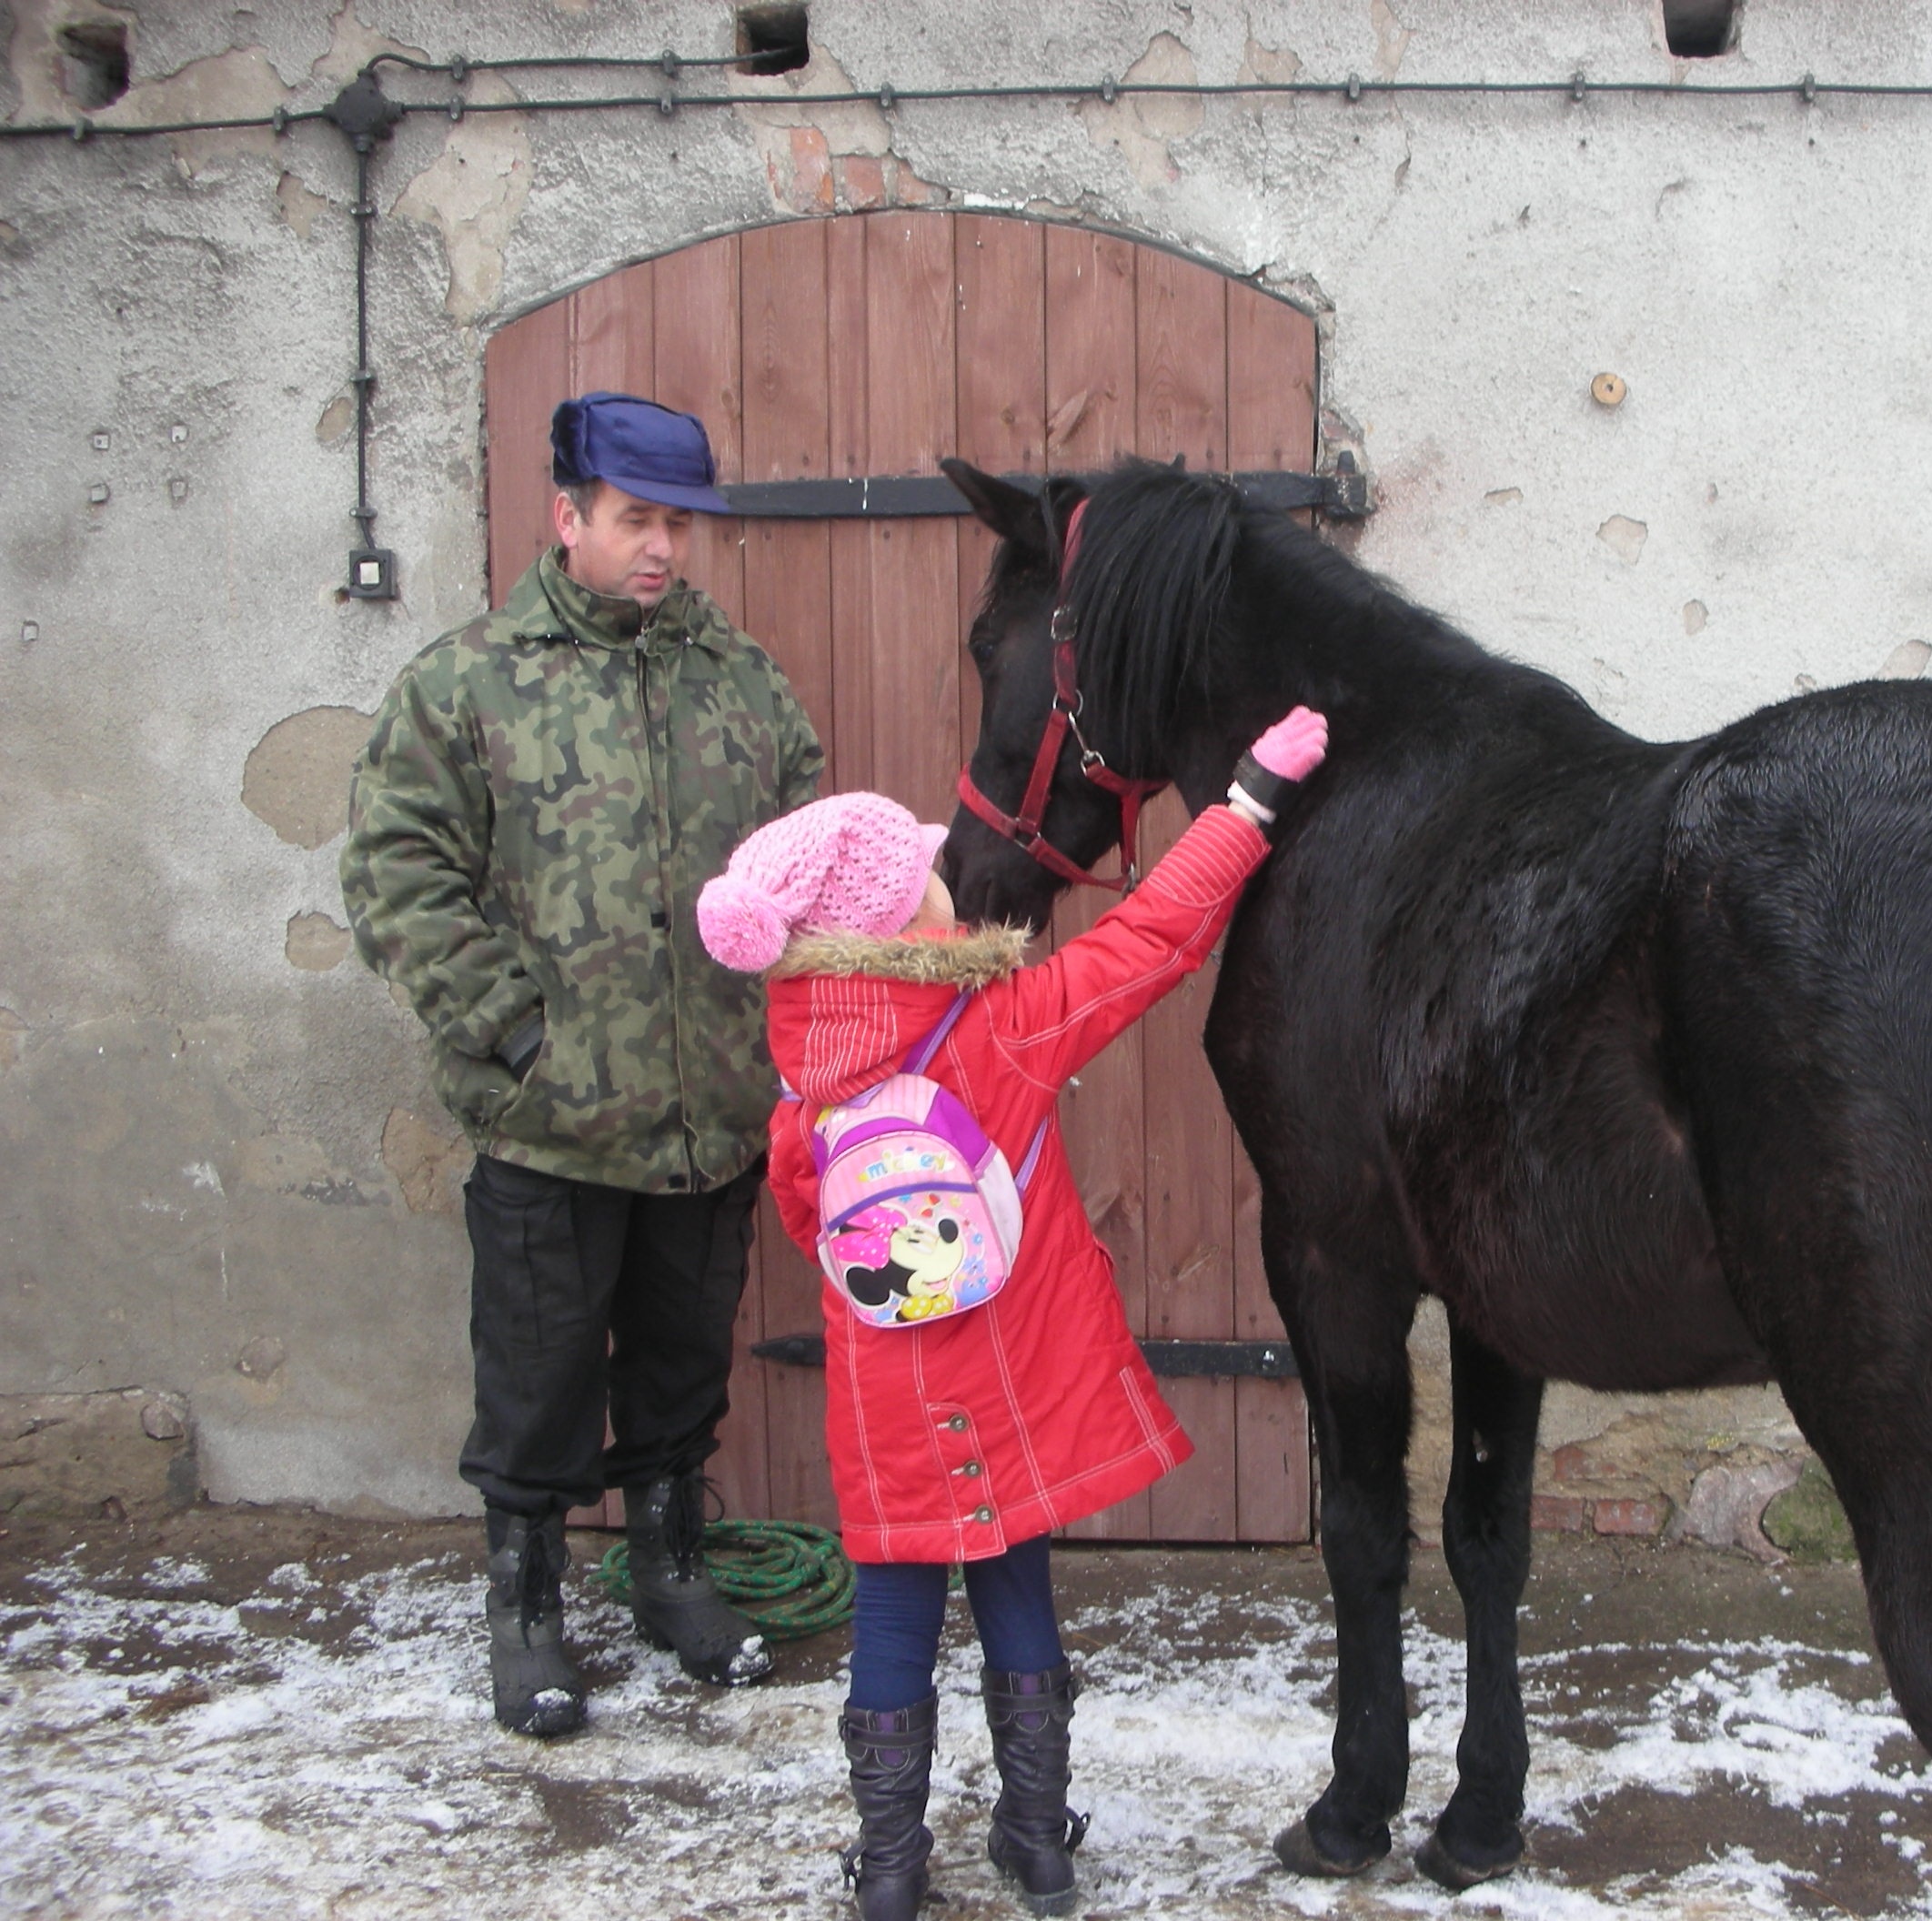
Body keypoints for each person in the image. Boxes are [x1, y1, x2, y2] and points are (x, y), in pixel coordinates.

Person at [694, 709, 1328, 1921]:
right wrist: (1248, 800)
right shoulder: (1006, 1026)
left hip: (885, 1400)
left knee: (892, 1617)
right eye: (928, 876)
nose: (948, 879)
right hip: (1011, 1374)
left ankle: (890, 1867)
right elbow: (1155, 933)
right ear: (905, 923)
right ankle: (1038, 1843)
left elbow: (807, 1215)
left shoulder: (803, 1079)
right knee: (1017, 1594)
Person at [341, 392, 824, 1737]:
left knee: (681, 1370)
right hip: (550, 1123)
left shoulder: (741, 682)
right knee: (539, 1382)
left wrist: (782, 1032)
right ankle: (528, 1610)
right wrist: (513, 1032)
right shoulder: (469, 682)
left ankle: (670, 1573)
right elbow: (395, 869)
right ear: (568, 517)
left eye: (681, 524)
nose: (663, 547)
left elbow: (805, 853)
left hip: (708, 1115)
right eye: (636, 520)